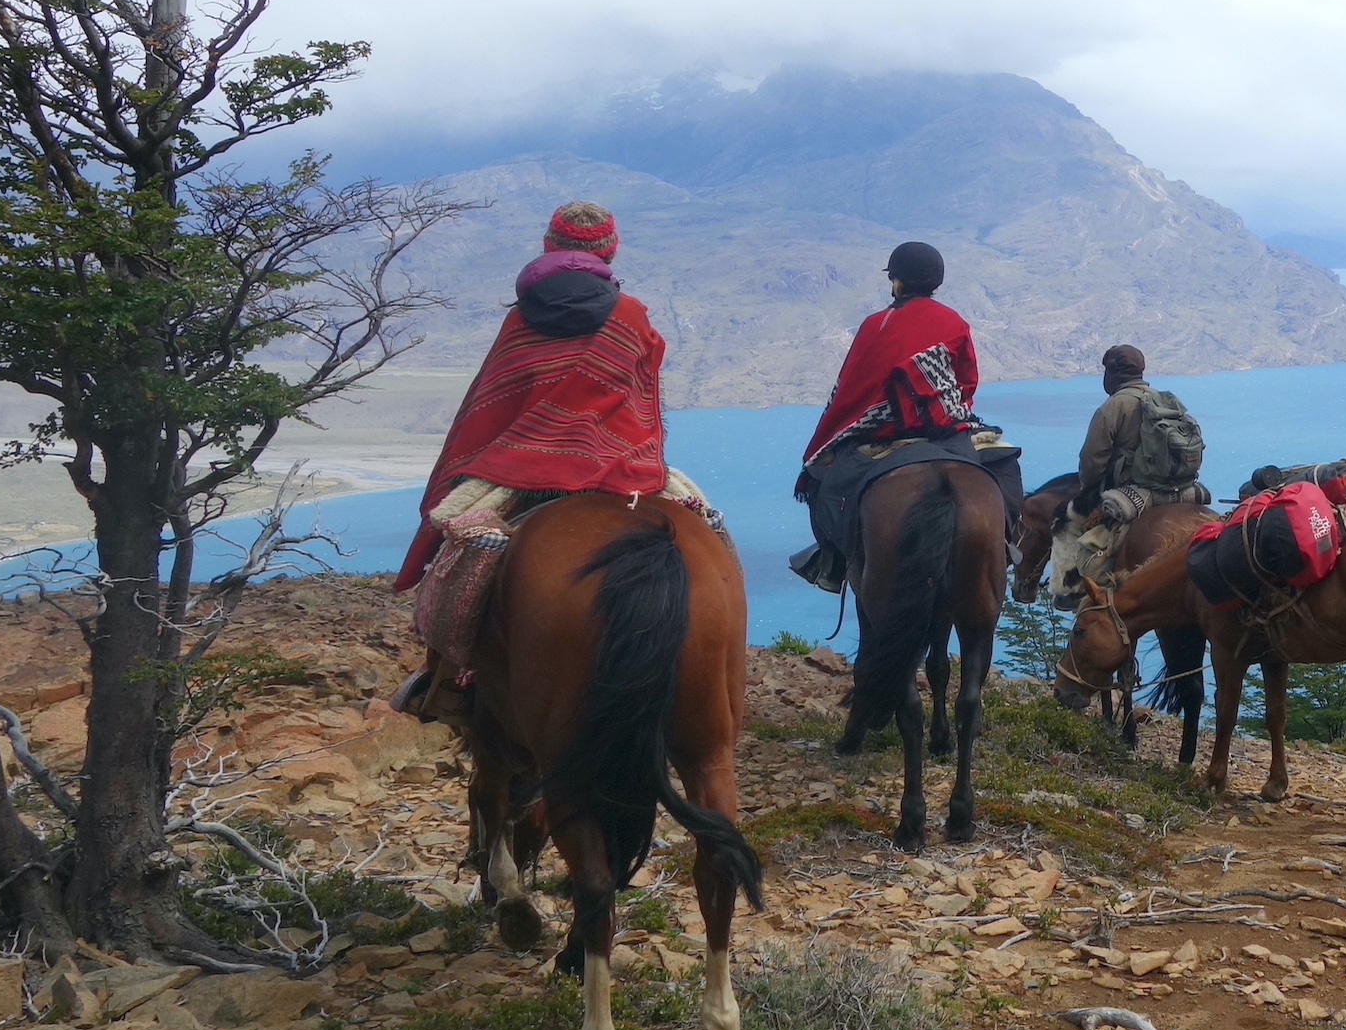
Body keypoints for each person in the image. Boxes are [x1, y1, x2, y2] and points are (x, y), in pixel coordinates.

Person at [395, 204, 714, 705]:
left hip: (522, 467)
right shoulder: (631, 316)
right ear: (610, 250)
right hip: (621, 465)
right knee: (708, 527)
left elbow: (490, 406)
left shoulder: (521, 319)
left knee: (452, 537)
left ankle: (444, 679)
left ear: (549, 244)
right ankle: (718, 669)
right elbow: (642, 403)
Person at [793, 242, 991, 590]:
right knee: (1003, 467)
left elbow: (851, 388)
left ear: (898, 280)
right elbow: (967, 382)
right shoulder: (955, 321)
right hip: (947, 429)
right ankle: (1002, 542)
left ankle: (833, 563)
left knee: (819, 477)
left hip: (881, 431)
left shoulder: (877, 325)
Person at [1062, 344, 1208, 586]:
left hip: (1130, 488)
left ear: (1112, 373)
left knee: (1090, 545)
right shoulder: (1165, 400)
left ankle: (1089, 592)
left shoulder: (1114, 406)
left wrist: (1087, 490)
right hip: (1179, 486)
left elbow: (1092, 459)